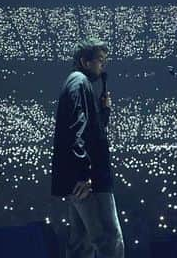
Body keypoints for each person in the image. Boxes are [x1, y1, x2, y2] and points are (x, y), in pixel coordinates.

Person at [50, 38, 124, 258]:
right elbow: (76, 129)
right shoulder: (79, 83)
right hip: (89, 181)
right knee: (109, 240)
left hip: (78, 179)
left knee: (80, 243)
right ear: (84, 61)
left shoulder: (77, 83)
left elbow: (90, 130)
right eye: (100, 60)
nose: (103, 66)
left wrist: (104, 112)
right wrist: (84, 174)